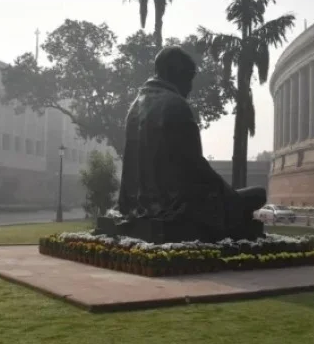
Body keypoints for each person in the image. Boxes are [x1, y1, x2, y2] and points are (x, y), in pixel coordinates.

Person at [114, 45, 266, 242]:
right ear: (175, 74)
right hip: (177, 204)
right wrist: (229, 195)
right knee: (258, 195)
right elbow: (195, 167)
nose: (190, 86)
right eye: (188, 78)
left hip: (138, 204)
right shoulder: (175, 104)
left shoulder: (135, 108)